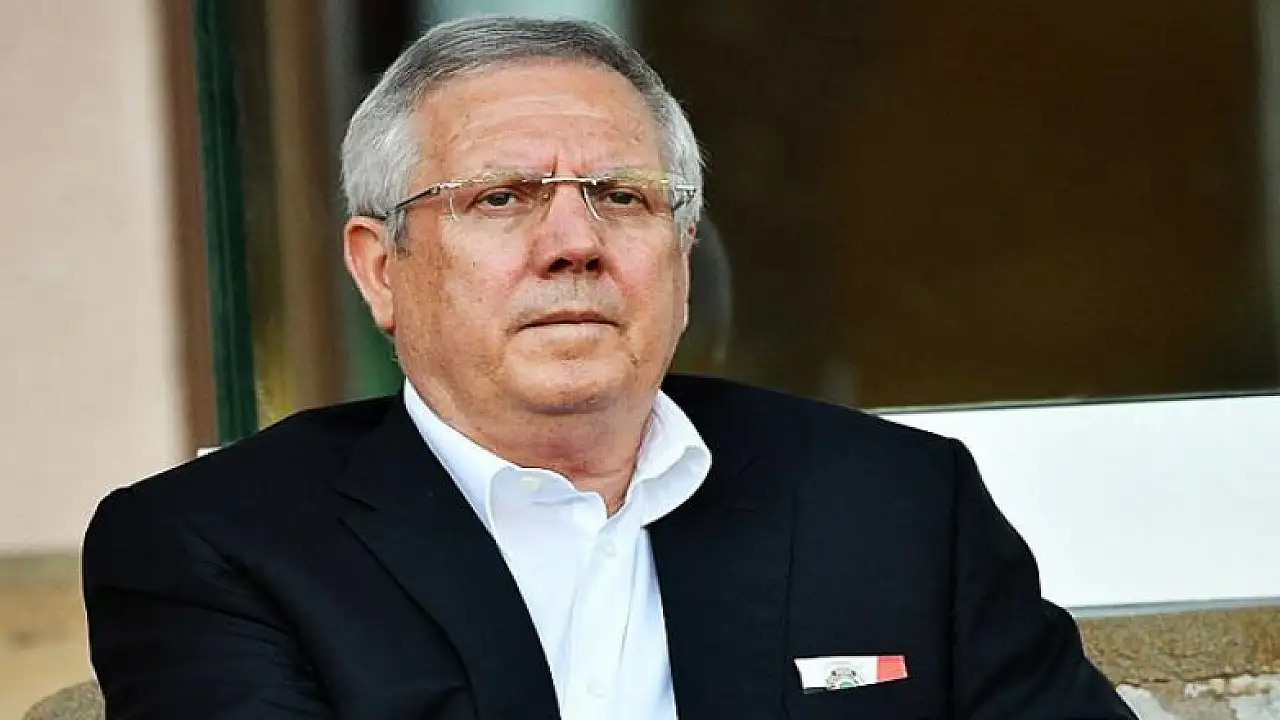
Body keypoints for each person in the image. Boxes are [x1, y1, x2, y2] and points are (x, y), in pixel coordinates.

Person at [82, 15, 1136, 720]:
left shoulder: (898, 502)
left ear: (681, 255)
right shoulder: (216, 547)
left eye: (624, 197)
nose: (574, 242)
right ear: (380, 268)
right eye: (501, 197)